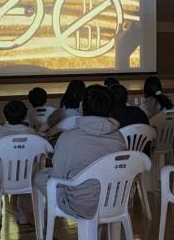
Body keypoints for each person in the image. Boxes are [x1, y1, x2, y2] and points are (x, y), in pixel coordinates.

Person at [34, 85, 126, 219]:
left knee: (40, 177)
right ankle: (96, 230)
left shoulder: (68, 137)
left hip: (81, 206)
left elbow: (58, 176)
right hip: (115, 201)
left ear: (82, 106)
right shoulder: (119, 136)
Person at [0, 100, 36, 224]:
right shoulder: (31, 132)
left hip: (2, 176)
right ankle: (23, 214)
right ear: (25, 116)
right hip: (26, 175)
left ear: (4, 115)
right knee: (26, 175)